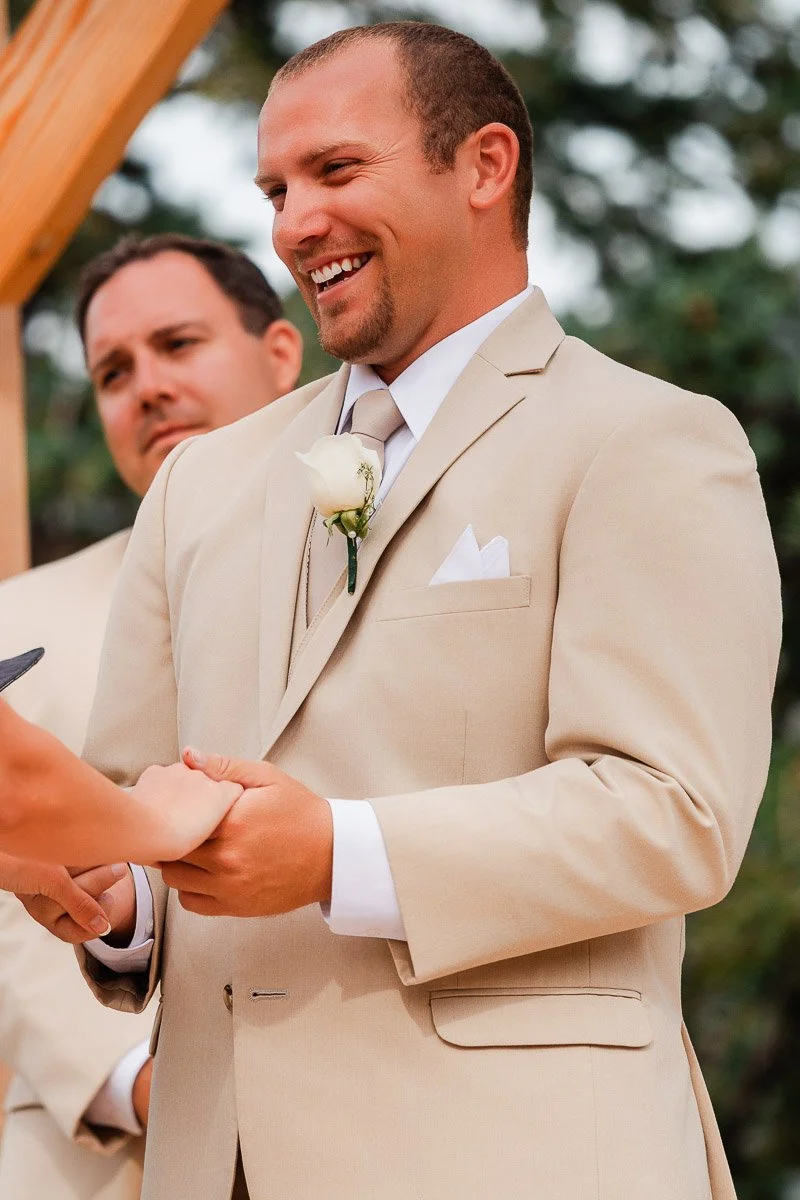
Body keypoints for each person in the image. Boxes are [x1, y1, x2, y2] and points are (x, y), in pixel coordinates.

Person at [33, 22, 779, 1200]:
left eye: (335, 172)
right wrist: (107, 896)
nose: (290, 226)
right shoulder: (201, 485)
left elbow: (670, 811)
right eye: (275, 190)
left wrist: (338, 853)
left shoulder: (645, 441)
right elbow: (138, 807)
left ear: (483, 166)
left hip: (516, 1162)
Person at [0, 235, 306, 1200]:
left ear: (282, 354)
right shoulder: (17, 615)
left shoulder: (382, 570)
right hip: (106, 1156)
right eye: (113, 371)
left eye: (179, 344)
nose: (148, 387)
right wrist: (133, 1081)